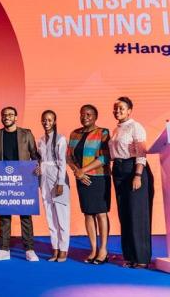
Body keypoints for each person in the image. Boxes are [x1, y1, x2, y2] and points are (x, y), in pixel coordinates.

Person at [0, 106, 39, 262]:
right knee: (4, 215)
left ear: (16, 117)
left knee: (25, 215)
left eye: (10, 114)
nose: (7, 117)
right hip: (3, 181)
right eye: (4, 115)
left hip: (23, 179)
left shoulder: (27, 134)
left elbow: (35, 155)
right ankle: (4, 249)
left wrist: (37, 166)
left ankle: (29, 249)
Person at [109, 96, 154, 269]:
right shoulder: (116, 129)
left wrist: (137, 175)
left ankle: (141, 258)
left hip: (134, 170)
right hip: (119, 171)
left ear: (129, 110)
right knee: (125, 215)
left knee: (137, 215)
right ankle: (130, 256)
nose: (117, 111)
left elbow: (141, 153)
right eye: (115, 108)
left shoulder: (136, 127)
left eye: (121, 108)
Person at [66, 104, 111, 265]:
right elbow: (69, 157)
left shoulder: (102, 132)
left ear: (95, 116)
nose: (85, 117)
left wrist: (83, 170)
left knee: (101, 213)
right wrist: (77, 171)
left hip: (99, 177)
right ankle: (93, 249)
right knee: (88, 213)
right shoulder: (74, 134)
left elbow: (105, 157)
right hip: (82, 178)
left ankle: (103, 250)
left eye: (89, 114)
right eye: (82, 114)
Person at [35, 110, 70, 262]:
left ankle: (63, 249)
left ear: (55, 121)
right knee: (50, 215)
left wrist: (60, 183)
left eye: (50, 120)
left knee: (62, 215)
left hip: (57, 178)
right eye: (44, 120)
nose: (46, 123)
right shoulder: (40, 140)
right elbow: (41, 161)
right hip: (44, 179)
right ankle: (54, 248)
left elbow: (62, 163)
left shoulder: (61, 139)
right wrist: (37, 169)